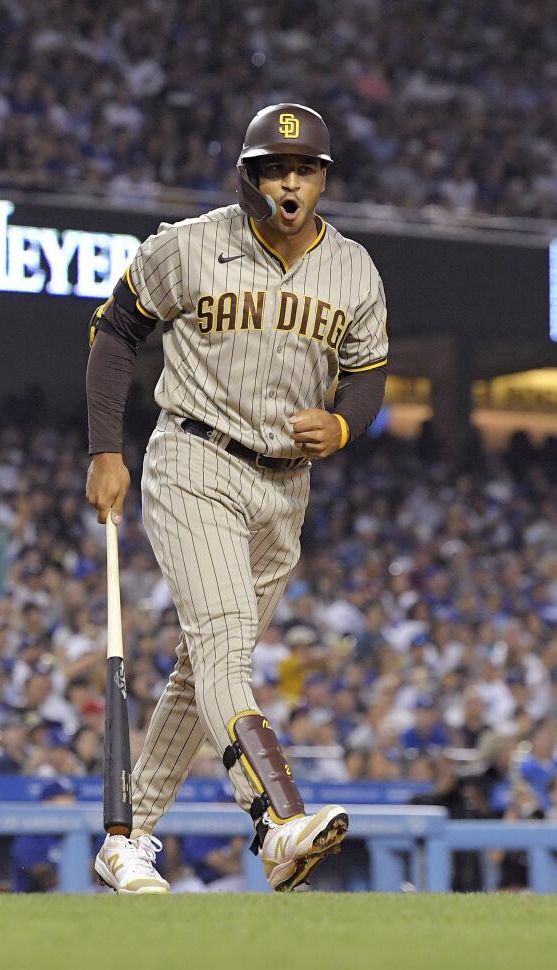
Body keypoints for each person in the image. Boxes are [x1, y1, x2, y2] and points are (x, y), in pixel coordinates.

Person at [84, 104, 388, 893]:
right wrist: (103, 448)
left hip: (286, 486)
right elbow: (116, 329)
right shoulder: (189, 245)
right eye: (275, 168)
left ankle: (127, 835)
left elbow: (368, 372)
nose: (291, 181)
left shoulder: (354, 269)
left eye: (306, 168)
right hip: (194, 456)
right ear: (250, 177)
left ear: (323, 179)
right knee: (224, 644)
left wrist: (346, 425)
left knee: (200, 671)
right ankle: (275, 815)